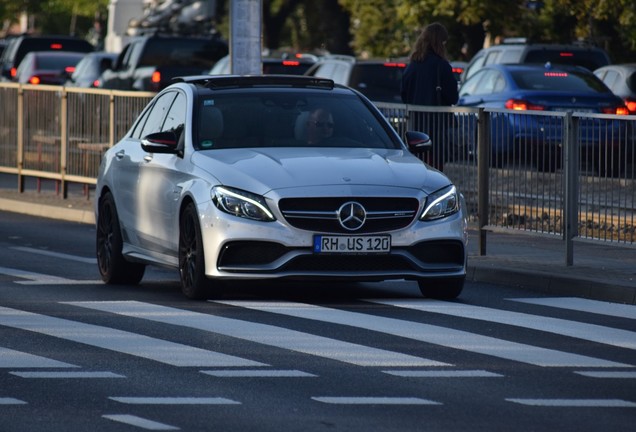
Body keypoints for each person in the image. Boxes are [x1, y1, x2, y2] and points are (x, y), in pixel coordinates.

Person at [401, 22, 458, 170]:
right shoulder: (442, 66)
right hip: (437, 128)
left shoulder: (412, 65)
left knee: (418, 167)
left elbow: (404, 94)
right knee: (435, 168)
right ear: (440, 42)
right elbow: (453, 97)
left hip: (415, 126)